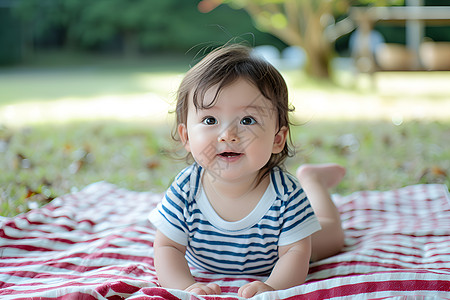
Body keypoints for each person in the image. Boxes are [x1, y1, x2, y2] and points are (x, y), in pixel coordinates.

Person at [148, 44, 345, 298]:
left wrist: (273, 288)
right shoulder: (186, 189)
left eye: (247, 120)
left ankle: (314, 180)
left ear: (277, 138)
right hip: (216, 259)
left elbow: (295, 253)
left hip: (280, 250)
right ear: (186, 136)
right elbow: (167, 247)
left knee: (332, 236)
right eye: (210, 120)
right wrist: (187, 287)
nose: (228, 135)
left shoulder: (285, 194)